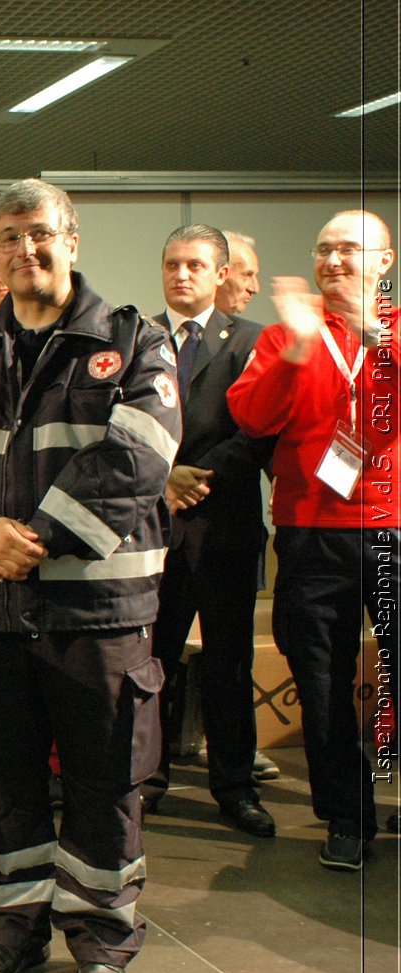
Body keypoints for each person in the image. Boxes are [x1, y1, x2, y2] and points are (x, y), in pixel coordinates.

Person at [0, 179, 181, 973]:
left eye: (42, 234)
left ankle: (101, 940)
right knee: (2, 780)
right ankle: (14, 931)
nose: (27, 250)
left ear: (72, 240)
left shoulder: (135, 342)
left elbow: (141, 456)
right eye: (10, 238)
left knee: (105, 782)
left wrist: (36, 539)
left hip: (99, 615)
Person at [228, 210, 397, 870]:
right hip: (310, 532)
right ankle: (348, 814)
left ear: (383, 262)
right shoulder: (284, 336)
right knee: (322, 685)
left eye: (349, 251)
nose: (333, 263)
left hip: (392, 529)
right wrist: (297, 353)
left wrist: (374, 332)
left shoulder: (397, 330)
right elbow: (251, 415)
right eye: (324, 250)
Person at [140, 225, 273, 837]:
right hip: (153, 528)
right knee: (152, 661)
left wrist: (199, 475)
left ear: (221, 273)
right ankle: (148, 779)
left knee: (228, 660)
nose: (181, 274)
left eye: (195, 264)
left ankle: (234, 786)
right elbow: (117, 427)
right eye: (172, 264)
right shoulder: (136, 339)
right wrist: (163, 479)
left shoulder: (253, 340)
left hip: (225, 525)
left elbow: (261, 431)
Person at [216, 231, 262, 318]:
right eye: (247, 275)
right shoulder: (183, 324)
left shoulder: (253, 331)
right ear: (220, 274)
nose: (255, 289)